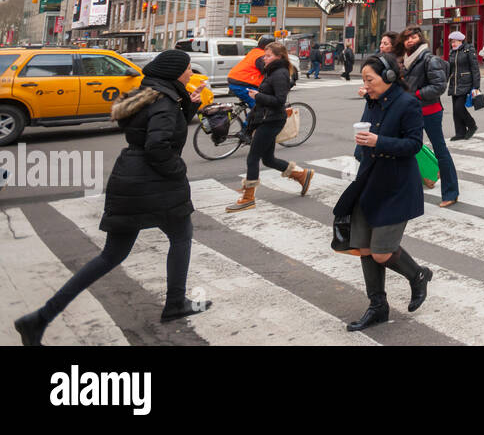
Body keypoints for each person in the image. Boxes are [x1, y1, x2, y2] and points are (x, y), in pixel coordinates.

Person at [13, 51, 212, 345]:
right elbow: (158, 144)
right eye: (186, 69)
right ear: (174, 72)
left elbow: (146, 129)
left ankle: (40, 317)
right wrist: (178, 169)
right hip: (155, 183)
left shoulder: (147, 95)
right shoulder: (166, 102)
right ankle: (174, 303)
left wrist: (188, 107)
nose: (189, 73)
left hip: (129, 178)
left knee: (112, 255)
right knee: (181, 237)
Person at [336, 54, 433, 331]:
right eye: (363, 80)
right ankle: (377, 306)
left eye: (370, 79)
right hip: (369, 180)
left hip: (396, 185)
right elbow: (367, 133)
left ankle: (418, 276)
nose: (366, 85)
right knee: (365, 248)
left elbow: (414, 145)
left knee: (381, 252)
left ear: (389, 77)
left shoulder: (409, 103)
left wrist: (379, 141)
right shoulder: (373, 101)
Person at [226, 42, 313, 212]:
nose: (264, 58)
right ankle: (302, 175)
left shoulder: (279, 74)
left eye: (268, 56)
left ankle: (248, 198)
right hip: (267, 119)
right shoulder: (272, 71)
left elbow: (280, 101)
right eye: (264, 56)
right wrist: (258, 97)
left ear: (278, 57)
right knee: (268, 159)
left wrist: (258, 96)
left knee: (253, 158)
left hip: (272, 120)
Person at [401, 28, 459, 208]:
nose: (410, 40)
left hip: (430, 111)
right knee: (409, 147)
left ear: (421, 38)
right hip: (412, 111)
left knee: (440, 149)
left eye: (414, 37)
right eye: (407, 38)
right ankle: (426, 175)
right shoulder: (406, 61)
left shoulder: (429, 59)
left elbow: (439, 86)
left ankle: (451, 192)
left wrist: (416, 94)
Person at [446, 30, 481, 140]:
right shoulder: (452, 52)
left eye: (455, 41)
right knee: (455, 110)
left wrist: (476, 86)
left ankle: (471, 125)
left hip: (466, 83)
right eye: (452, 42)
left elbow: (475, 68)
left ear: (461, 41)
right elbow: (449, 69)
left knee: (459, 107)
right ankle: (460, 133)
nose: (453, 44)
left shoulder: (468, 50)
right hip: (454, 84)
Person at [227, 34, 274, 110]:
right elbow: (268, 71)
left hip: (237, 81)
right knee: (259, 108)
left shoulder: (255, 51)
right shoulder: (261, 56)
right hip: (242, 85)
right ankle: (250, 122)